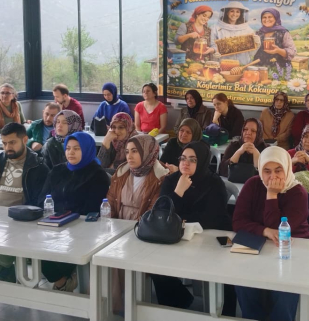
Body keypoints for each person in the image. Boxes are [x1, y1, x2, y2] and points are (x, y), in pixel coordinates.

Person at [152, 142, 234, 312]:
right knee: (154, 264)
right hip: (179, 237)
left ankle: (227, 312)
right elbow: (162, 214)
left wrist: (180, 219)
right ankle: (178, 305)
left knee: (228, 267)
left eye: (192, 160)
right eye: (183, 158)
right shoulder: (171, 180)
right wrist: (178, 192)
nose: (185, 163)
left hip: (214, 237)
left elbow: (213, 217)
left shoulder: (214, 182)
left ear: (202, 161)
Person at [232, 146, 309, 321]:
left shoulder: (298, 193)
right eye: (267, 171)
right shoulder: (253, 184)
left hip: (292, 250)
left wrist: (271, 195)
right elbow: (238, 222)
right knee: (244, 284)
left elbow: (279, 228)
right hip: (258, 248)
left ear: (287, 169)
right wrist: (264, 231)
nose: (272, 177)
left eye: (278, 170)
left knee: (284, 291)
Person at [0, 123, 49, 282]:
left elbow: (39, 205)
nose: (7, 148)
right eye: (4, 143)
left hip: (17, 222)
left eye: (12, 142)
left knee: (0, 251)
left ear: (25, 140)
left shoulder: (38, 167)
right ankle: (4, 273)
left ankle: (6, 271)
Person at [105, 134, 169, 313]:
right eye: (127, 152)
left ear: (148, 152)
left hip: (143, 231)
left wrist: (128, 233)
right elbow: (110, 202)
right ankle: (108, 306)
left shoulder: (161, 177)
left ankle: (115, 308)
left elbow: (153, 212)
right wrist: (109, 226)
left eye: (134, 151)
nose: (129, 156)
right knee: (104, 253)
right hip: (117, 227)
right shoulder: (122, 172)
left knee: (116, 257)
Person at [39, 132, 110, 292]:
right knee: (33, 248)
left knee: (53, 253)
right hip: (52, 224)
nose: (71, 152)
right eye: (68, 148)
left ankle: (62, 281)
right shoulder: (57, 170)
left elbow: (92, 208)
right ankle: (62, 280)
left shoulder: (97, 174)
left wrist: (66, 219)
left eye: (77, 149)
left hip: (80, 229)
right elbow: (42, 198)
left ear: (87, 149)